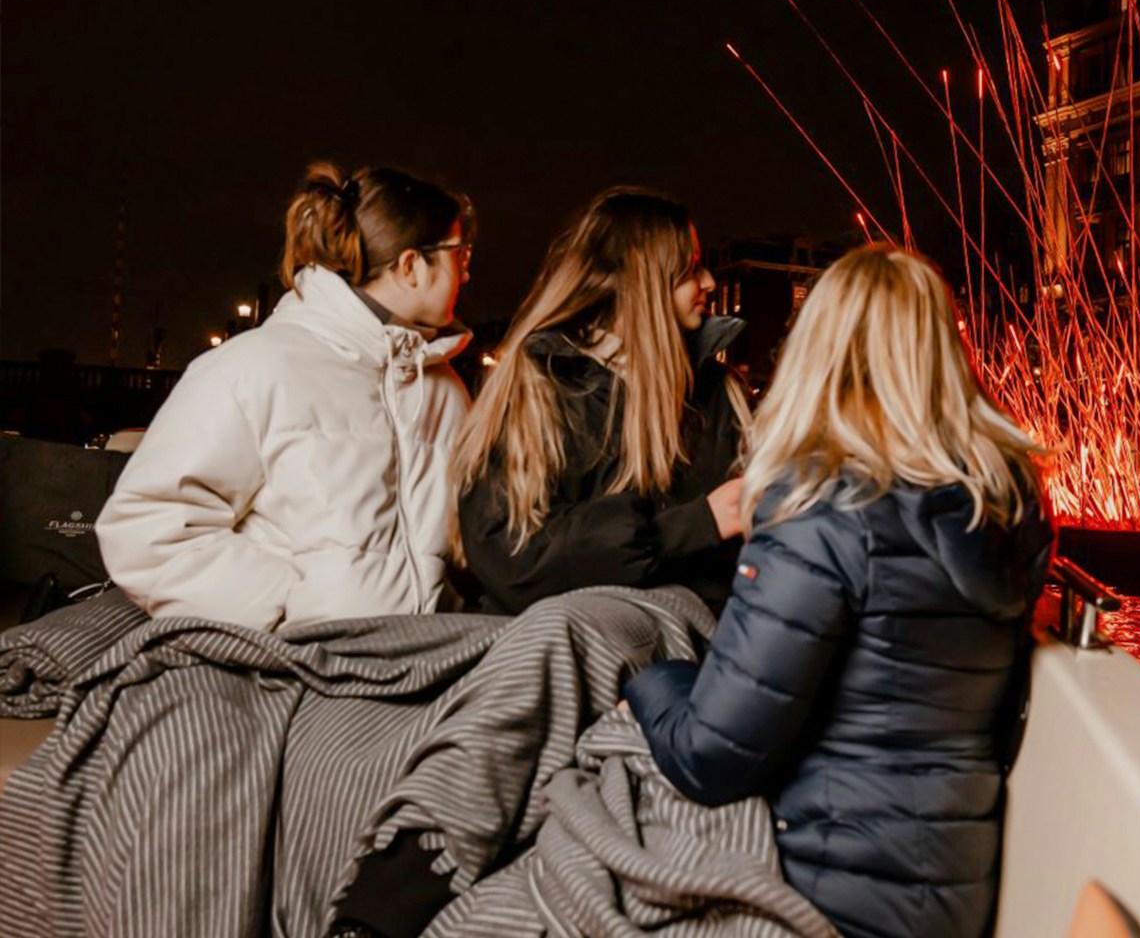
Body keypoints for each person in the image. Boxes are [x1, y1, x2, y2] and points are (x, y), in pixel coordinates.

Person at [624, 244, 1054, 938]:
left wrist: (652, 684)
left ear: (820, 352)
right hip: (942, 891)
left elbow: (712, 758)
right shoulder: (998, 506)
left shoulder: (823, 509)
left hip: (824, 895)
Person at [96, 163, 475, 631]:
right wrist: (289, 610)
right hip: (296, 664)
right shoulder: (253, 368)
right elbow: (146, 530)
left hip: (423, 663)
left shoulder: (447, 389)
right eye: (460, 255)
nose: (467, 273)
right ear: (411, 266)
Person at [451, 186, 748, 615]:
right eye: (690, 268)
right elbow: (513, 559)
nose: (709, 282)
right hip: (570, 659)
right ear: (642, 281)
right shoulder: (541, 387)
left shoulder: (719, 392)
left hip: (694, 657)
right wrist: (690, 527)